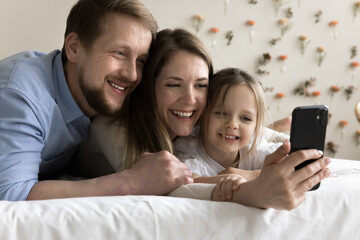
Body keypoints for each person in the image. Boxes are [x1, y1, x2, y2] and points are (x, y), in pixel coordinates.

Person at [79, 28, 331, 210]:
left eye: (200, 85)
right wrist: (247, 180)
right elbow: (170, 188)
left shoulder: (197, 118)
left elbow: (259, 135)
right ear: (149, 88)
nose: (190, 99)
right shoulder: (115, 129)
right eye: (173, 85)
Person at [0, 0, 193, 201]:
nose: (132, 75)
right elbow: (9, 194)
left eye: (140, 61)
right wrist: (130, 181)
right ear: (74, 47)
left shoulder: (102, 94)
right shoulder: (21, 95)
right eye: (120, 53)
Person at [173, 68, 283, 200]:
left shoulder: (254, 145)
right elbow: (189, 181)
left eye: (245, 118)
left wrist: (246, 175)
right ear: (202, 115)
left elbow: (290, 163)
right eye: (221, 113)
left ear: (255, 126)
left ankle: (277, 127)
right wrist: (226, 180)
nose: (232, 124)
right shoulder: (186, 148)